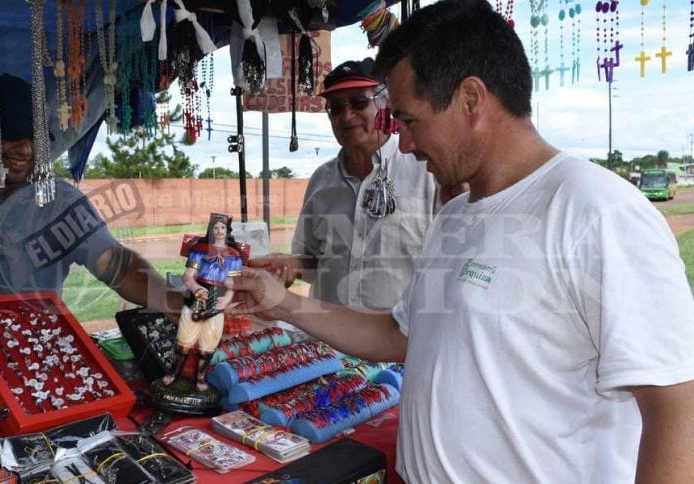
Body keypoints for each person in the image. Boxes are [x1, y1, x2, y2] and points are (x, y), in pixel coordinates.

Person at [229, 1, 694, 482]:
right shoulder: (454, 216)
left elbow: (676, 407)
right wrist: (283, 304)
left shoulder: (595, 211)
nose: (404, 144)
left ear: (471, 100)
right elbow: (400, 335)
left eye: (410, 121)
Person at [0, 74, 180, 326]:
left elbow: (116, 264)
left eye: (34, 138)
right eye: (11, 135)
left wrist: (173, 300)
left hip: (34, 359)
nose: (25, 149)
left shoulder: (58, 201)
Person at [249, 58, 439, 310]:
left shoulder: (426, 172)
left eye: (359, 102)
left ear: (386, 103)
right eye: (335, 108)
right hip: (328, 342)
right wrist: (291, 266)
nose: (347, 115)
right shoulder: (321, 181)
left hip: (400, 343)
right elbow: (312, 259)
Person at [163, 212, 243, 391]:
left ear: (227, 230)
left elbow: (233, 283)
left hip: (218, 298)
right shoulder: (199, 250)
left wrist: (228, 298)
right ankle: (173, 373)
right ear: (210, 229)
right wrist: (195, 288)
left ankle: (200, 377)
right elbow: (188, 276)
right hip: (197, 297)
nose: (219, 231)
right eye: (216, 227)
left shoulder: (234, 255)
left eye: (223, 227)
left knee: (209, 343)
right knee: (184, 340)